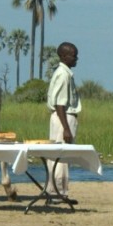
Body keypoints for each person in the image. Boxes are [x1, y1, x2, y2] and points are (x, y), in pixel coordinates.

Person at [46, 42, 81, 205]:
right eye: (74, 55)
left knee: (59, 156)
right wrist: (66, 128)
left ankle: (56, 192)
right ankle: (57, 193)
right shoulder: (63, 74)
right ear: (63, 56)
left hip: (64, 118)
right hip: (63, 118)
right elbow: (60, 104)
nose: (76, 59)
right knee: (60, 157)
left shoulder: (65, 73)